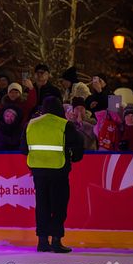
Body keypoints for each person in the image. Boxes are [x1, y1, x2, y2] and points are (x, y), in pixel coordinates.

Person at [22, 96, 84, 253]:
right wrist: (74, 158)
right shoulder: (64, 125)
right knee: (58, 206)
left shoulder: (31, 124)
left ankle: (42, 241)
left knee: (42, 205)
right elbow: (78, 144)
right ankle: (56, 240)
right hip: (59, 171)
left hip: (38, 171)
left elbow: (23, 148)